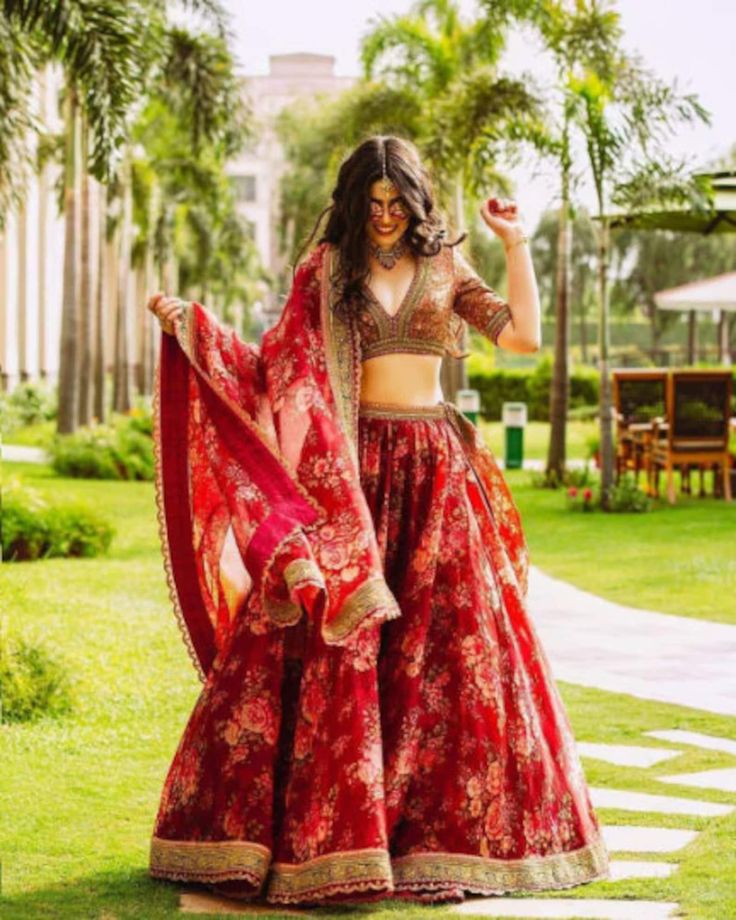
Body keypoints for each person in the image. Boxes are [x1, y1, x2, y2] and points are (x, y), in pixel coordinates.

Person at [145, 134, 610, 907]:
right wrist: (193, 326)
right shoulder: (326, 272)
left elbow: (522, 338)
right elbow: (276, 371)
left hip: (434, 477)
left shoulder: (447, 268)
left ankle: (441, 844)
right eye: (374, 204)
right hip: (347, 486)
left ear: (418, 203)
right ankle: (322, 842)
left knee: (453, 657)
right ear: (354, 202)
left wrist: (516, 243)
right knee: (338, 652)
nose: (387, 217)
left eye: (399, 204)